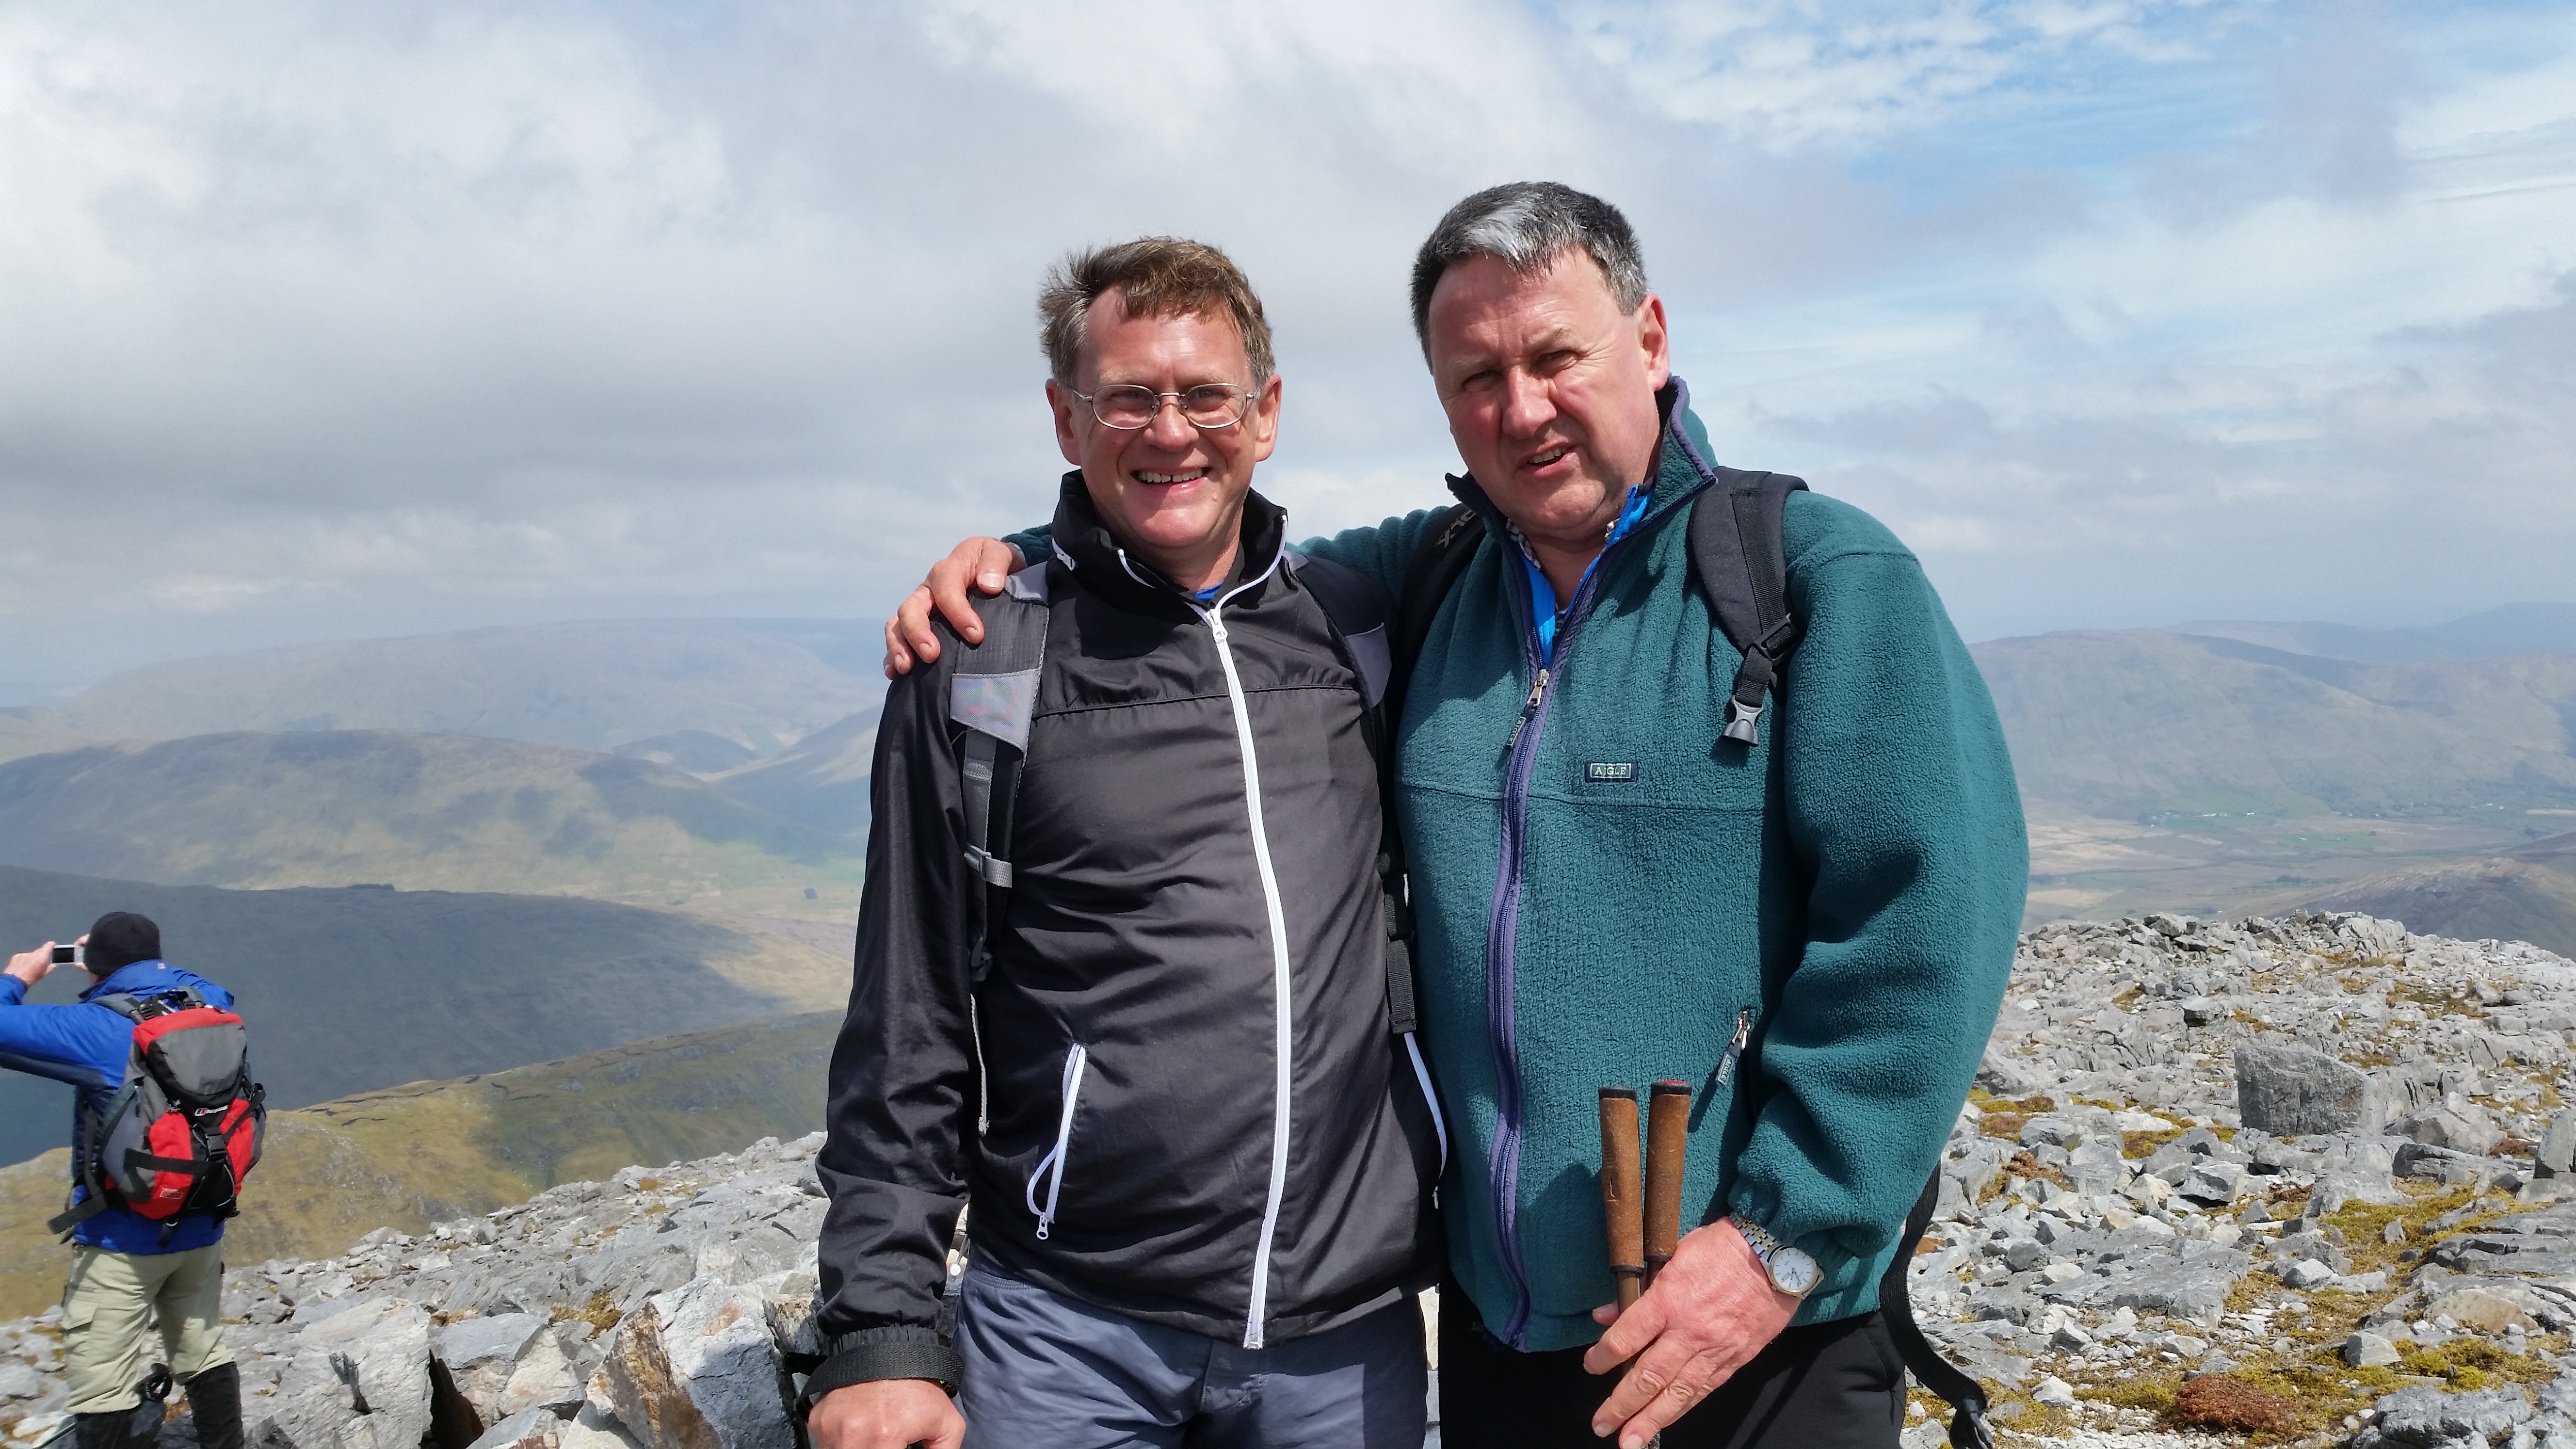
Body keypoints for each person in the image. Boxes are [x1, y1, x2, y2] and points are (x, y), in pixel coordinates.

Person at [886, 183, 2028, 1449]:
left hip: (1754, 1327)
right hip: (1503, 1328)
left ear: (1649, 340)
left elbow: (1927, 933)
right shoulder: (1414, 586)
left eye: (1556, 357)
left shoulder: (1813, 578)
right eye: (1478, 375)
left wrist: (1780, 1240)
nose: (1523, 407)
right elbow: (1203, 569)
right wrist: (1013, 578)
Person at [804, 237, 1443, 1449]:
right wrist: (881, 1332)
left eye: (1204, 394)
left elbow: (1563, 504)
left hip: (1343, 1329)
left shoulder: (1356, 621)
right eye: (1127, 397)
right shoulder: (980, 661)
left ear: (1264, 413)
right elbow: (908, 1009)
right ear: (1064, 418)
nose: (1169, 431)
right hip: (1068, 1325)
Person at [2, 914, 244, 1449]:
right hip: (201, 1221)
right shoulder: (209, 1004)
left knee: (102, 1382)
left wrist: (19, 977)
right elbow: (212, 984)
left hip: (122, 1240)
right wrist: (123, 963)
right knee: (202, 1352)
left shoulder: (96, 1029)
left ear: (92, 965)